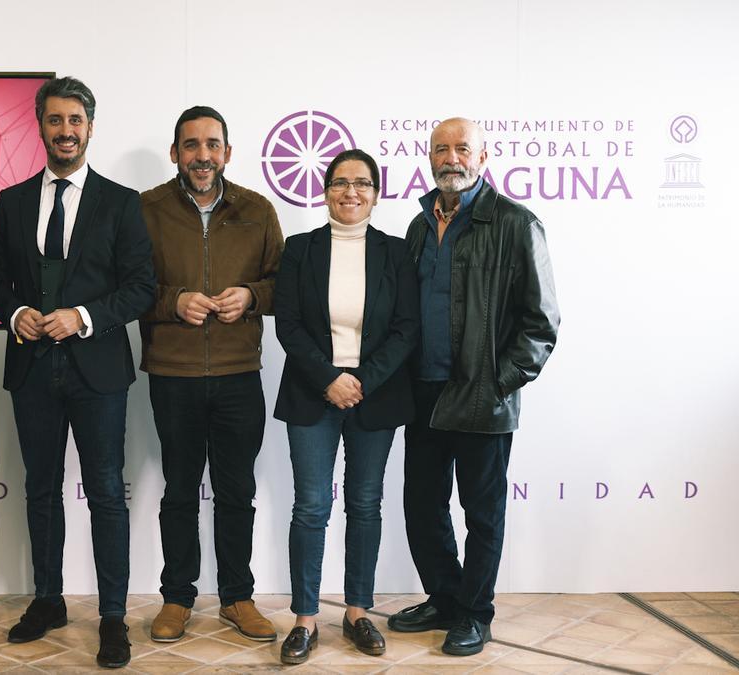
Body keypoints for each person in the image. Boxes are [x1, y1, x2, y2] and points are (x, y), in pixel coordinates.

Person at [0, 76, 155, 669]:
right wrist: (17, 313)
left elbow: (141, 287)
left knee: (107, 494)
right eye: (55, 120)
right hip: (32, 368)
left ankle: (113, 616)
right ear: (41, 126)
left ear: (90, 126)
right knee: (40, 490)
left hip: (98, 371)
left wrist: (82, 315)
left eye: (75, 121)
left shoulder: (121, 202)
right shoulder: (10, 202)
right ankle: (48, 600)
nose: (65, 131)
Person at [387, 118, 559, 656]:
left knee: (482, 514)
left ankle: (475, 612)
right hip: (423, 393)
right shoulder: (419, 225)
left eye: (462, 148)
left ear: (484, 157)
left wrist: (497, 384)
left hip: (482, 397)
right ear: (429, 157)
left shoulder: (514, 222)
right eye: (441, 148)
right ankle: (444, 597)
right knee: (422, 506)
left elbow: (541, 324)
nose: (451, 157)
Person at [138, 106, 284, 644]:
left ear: (227, 151)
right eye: (191, 145)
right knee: (179, 491)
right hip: (172, 375)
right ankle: (176, 597)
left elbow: (281, 285)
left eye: (213, 145)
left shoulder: (257, 210)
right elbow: (128, 288)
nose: (203, 156)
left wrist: (250, 296)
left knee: (235, 491)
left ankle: (237, 597)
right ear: (175, 153)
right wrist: (173, 302)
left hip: (239, 374)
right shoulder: (146, 209)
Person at [272, 149, 419, 664]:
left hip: (373, 397)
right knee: (311, 507)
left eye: (361, 183)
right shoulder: (300, 249)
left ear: (376, 194)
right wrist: (330, 378)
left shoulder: (398, 253)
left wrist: (360, 381)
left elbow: (406, 330)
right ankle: (305, 620)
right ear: (325, 189)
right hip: (313, 394)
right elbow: (286, 323)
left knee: (365, 505)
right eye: (339, 182)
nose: (349, 192)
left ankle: (358, 612)